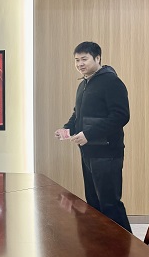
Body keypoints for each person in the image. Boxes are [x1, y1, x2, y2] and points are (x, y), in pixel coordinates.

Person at [54, 41, 132, 232]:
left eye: (84, 59)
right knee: (93, 203)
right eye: (76, 60)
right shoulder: (83, 84)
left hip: (107, 153)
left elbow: (121, 116)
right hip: (88, 152)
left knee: (110, 204)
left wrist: (88, 134)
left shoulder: (111, 82)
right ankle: (102, 244)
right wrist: (66, 129)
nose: (80, 64)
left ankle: (126, 245)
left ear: (97, 58)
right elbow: (78, 115)